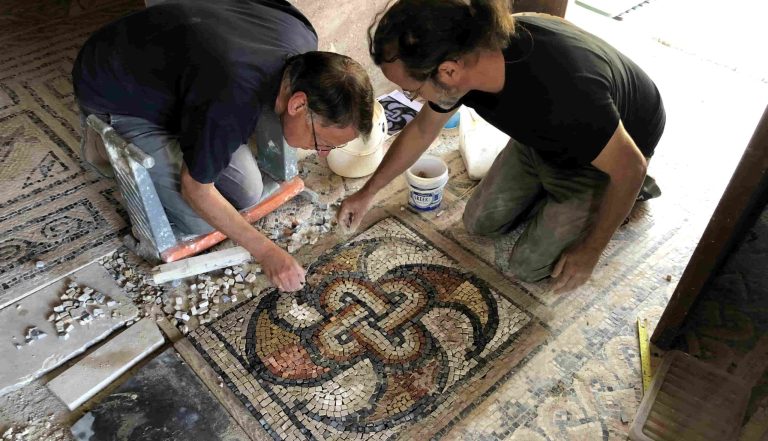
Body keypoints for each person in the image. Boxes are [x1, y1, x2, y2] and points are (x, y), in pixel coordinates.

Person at [337, 0, 665, 293]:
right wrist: (368, 192)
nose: (412, 98)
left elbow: (632, 166)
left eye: (412, 89)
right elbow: (423, 129)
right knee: (479, 222)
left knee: (528, 266)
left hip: (601, 159)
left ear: (448, 71)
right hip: (540, 138)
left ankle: (624, 200)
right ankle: (552, 191)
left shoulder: (568, 97)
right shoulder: (470, 54)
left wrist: (591, 250)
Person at [72, 0, 374, 292]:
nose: (321, 154)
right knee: (196, 220)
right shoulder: (234, 94)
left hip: (183, 77)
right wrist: (267, 252)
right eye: (323, 144)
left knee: (247, 192)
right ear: (297, 104)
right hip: (117, 87)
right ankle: (100, 139)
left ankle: (195, 120)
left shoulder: (303, 42)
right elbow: (197, 189)